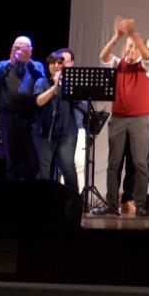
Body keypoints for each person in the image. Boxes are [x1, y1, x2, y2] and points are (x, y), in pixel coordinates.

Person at [98, 17, 149, 216]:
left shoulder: (147, 67)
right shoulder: (118, 64)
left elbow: (148, 55)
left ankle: (140, 204)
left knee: (141, 163)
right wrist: (117, 37)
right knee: (114, 163)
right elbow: (103, 55)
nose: (130, 50)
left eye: (134, 47)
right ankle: (110, 205)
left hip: (140, 119)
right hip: (118, 118)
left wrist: (133, 35)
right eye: (128, 47)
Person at [0, 35, 46, 179]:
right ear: (12, 48)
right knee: (12, 160)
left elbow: (43, 80)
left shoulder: (36, 65)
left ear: (30, 50)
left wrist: (29, 63)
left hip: (31, 118)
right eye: (17, 47)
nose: (20, 51)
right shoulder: (3, 64)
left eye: (24, 48)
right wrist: (11, 62)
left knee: (31, 161)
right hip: (9, 118)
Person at [32, 52, 78, 191]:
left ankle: (74, 203)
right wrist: (54, 88)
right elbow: (39, 101)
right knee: (44, 169)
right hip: (44, 133)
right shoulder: (42, 82)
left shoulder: (70, 84)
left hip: (66, 133)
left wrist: (64, 83)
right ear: (48, 66)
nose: (56, 66)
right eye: (53, 63)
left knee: (68, 167)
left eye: (60, 63)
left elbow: (78, 101)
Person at [56, 48, 88, 193]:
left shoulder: (78, 81)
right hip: (59, 129)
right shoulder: (53, 81)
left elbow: (86, 106)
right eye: (60, 61)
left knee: (78, 164)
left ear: (72, 63)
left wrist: (68, 89)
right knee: (61, 165)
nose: (62, 65)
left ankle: (78, 200)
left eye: (66, 61)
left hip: (77, 126)